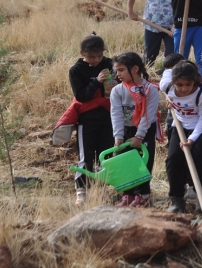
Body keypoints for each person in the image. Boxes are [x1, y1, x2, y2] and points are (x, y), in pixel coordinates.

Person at [160, 55, 202, 203]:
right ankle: (176, 198)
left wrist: (192, 139)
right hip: (181, 123)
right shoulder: (166, 86)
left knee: (198, 157)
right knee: (173, 159)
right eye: (179, 85)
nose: (184, 89)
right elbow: (168, 69)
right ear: (173, 82)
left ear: (195, 81)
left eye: (189, 84)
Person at [69, 33, 115, 206]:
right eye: (91, 56)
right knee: (86, 155)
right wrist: (96, 82)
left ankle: (102, 189)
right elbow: (81, 96)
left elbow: (115, 90)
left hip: (108, 117)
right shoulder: (77, 70)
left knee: (106, 155)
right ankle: (81, 190)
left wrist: (115, 85)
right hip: (86, 119)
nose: (96, 60)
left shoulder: (110, 64)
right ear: (82, 53)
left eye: (99, 56)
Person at [110, 52, 161, 208]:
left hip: (144, 129)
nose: (117, 74)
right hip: (126, 129)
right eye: (116, 70)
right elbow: (116, 114)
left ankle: (143, 195)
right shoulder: (117, 90)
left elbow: (147, 114)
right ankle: (128, 195)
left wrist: (139, 136)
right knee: (123, 162)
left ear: (135, 69)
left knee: (143, 162)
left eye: (121, 70)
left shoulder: (150, 89)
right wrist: (118, 136)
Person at [128, 0, 180, 67]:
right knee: (150, 55)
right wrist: (130, 12)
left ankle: (167, 76)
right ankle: (145, 74)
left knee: (172, 55)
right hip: (151, 27)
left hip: (170, 29)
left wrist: (176, 25)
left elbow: (181, 9)